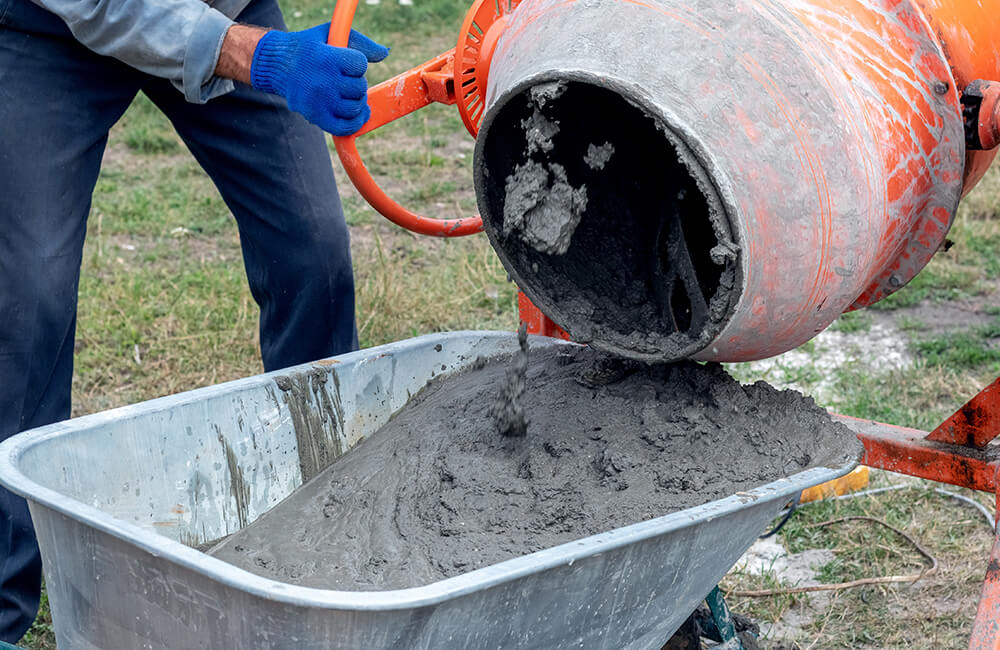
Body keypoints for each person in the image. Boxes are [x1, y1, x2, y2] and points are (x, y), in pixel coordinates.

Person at [0, 0, 388, 641]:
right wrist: (260, 56)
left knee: (313, 254)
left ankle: (326, 530)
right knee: (25, 303)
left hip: (228, 10)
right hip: (58, 28)